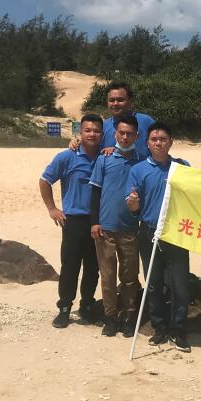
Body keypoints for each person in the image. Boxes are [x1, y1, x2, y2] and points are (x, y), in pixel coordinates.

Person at [125, 122, 192, 353]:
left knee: (180, 285)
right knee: (153, 284)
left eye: (163, 139)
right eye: (154, 139)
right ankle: (159, 327)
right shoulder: (138, 170)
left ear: (170, 142)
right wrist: (133, 203)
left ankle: (178, 330)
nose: (159, 143)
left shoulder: (182, 167)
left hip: (176, 233)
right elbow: (133, 206)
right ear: (147, 143)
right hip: (149, 232)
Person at [39, 113, 103, 328]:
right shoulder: (66, 157)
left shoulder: (105, 157)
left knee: (93, 267)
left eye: (96, 130)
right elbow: (45, 180)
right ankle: (65, 308)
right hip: (73, 220)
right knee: (70, 266)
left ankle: (87, 305)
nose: (92, 134)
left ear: (102, 134)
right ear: (80, 133)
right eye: (87, 130)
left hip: (98, 221)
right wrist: (52, 208)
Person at [89, 114, 143, 338]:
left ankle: (129, 317)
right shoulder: (105, 158)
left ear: (137, 136)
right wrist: (94, 222)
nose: (125, 137)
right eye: (121, 133)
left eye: (129, 134)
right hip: (105, 228)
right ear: (115, 134)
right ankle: (110, 317)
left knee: (130, 277)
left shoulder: (142, 162)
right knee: (108, 275)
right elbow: (95, 192)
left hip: (130, 229)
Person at [101, 81, 155, 158]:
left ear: (130, 101)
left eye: (120, 100)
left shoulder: (146, 122)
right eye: (111, 100)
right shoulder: (103, 126)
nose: (115, 103)